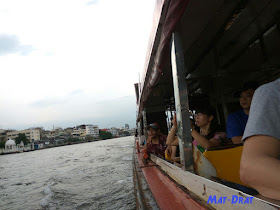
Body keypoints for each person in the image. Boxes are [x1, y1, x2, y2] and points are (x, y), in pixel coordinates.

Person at [239, 78, 280, 200]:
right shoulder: (271, 92)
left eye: (248, 95)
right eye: (241, 96)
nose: (243, 99)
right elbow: (251, 168)